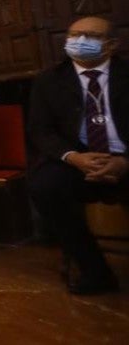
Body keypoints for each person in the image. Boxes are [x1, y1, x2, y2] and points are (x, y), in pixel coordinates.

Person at [27, 16, 126, 295]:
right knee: (44, 186)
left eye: (90, 36)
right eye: (74, 35)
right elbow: (40, 131)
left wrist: (124, 162)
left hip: (122, 157)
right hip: (76, 161)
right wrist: (73, 157)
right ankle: (95, 271)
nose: (80, 41)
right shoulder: (49, 80)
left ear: (111, 44)